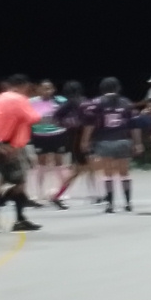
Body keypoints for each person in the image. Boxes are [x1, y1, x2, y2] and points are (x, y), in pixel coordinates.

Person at [0, 74, 42, 232]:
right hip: (11, 145)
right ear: (23, 86)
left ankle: (20, 218)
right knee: (19, 183)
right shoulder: (18, 99)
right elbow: (34, 117)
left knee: (11, 180)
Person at [82, 77, 142, 213]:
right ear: (118, 88)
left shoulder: (96, 103)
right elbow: (134, 125)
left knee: (108, 173)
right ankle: (128, 203)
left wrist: (85, 140)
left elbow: (89, 124)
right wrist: (138, 143)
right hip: (123, 140)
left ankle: (110, 205)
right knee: (124, 172)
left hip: (104, 141)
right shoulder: (126, 102)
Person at [48, 81, 93, 210]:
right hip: (85, 139)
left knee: (83, 169)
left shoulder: (67, 105)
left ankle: (57, 195)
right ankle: (56, 195)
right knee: (81, 169)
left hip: (73, 138)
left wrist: (66, 125)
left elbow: (54, 119)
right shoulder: (85, 102)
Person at [28, 80, 67, 201]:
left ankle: (62, 191)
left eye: (49, 88)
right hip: (40, 135)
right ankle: (39, 192)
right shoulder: (31, 102)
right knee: (41, 163)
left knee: (59, 162)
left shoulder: (61, 101)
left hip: (57, 134)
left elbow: (67, 115)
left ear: (53, 89)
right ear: (38, 89)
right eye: (44, 88)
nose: (47, 91)